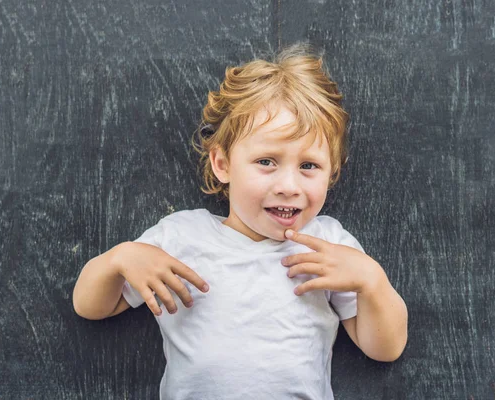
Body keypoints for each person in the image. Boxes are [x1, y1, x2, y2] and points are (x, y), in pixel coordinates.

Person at [73, 42, 408, 400]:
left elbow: (384, 349)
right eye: (266, 161)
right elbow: (91, 307)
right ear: (223, 164)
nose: (288, 186)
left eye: (309, 166)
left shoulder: (329, 246)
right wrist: (119, 260)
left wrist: (373, 282)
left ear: (332, 172)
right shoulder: (180, 238)